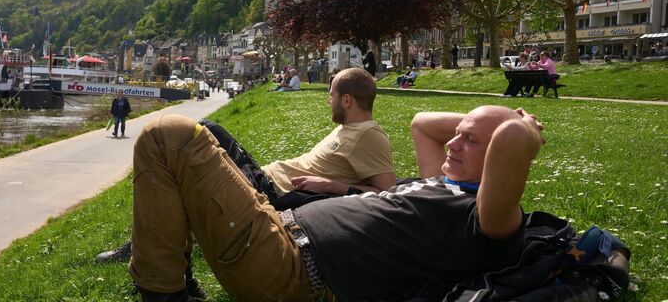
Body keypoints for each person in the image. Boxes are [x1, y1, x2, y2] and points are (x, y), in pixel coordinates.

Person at [129, 105, 543, 301]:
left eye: (470, 140)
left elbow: (510, 142)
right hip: (276, 228)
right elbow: (422, 123)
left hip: (288, 268)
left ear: (498, 160)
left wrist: (523, 128)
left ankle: (166, 295)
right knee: (197, 138)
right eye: (459, 131)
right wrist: (477, 126)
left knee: (168, 134)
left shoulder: (489, 221)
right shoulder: (444, 181)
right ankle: (174, 285)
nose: (453, 141)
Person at [98, 68, 395, 265]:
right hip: (263, 177)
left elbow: (387, 195)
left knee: (189, 161)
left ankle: (144, 249)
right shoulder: (349, 129)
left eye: (330, 95)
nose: (327, 100)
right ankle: (148, 246)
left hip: (269, 194)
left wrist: (334, 187)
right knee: (204, 130)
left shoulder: (370, 136)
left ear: (346, 100)